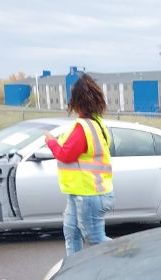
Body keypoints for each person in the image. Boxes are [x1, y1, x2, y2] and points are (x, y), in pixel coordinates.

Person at [43, 74, 114, 256]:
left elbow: (65, 155)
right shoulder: (97, 124)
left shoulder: (82, 128)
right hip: (82, 193)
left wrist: (51, 141)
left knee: (94, 238)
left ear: (76, 101)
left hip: (89, 194)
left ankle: (128, 257)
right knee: (72, 232)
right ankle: (73, 272)